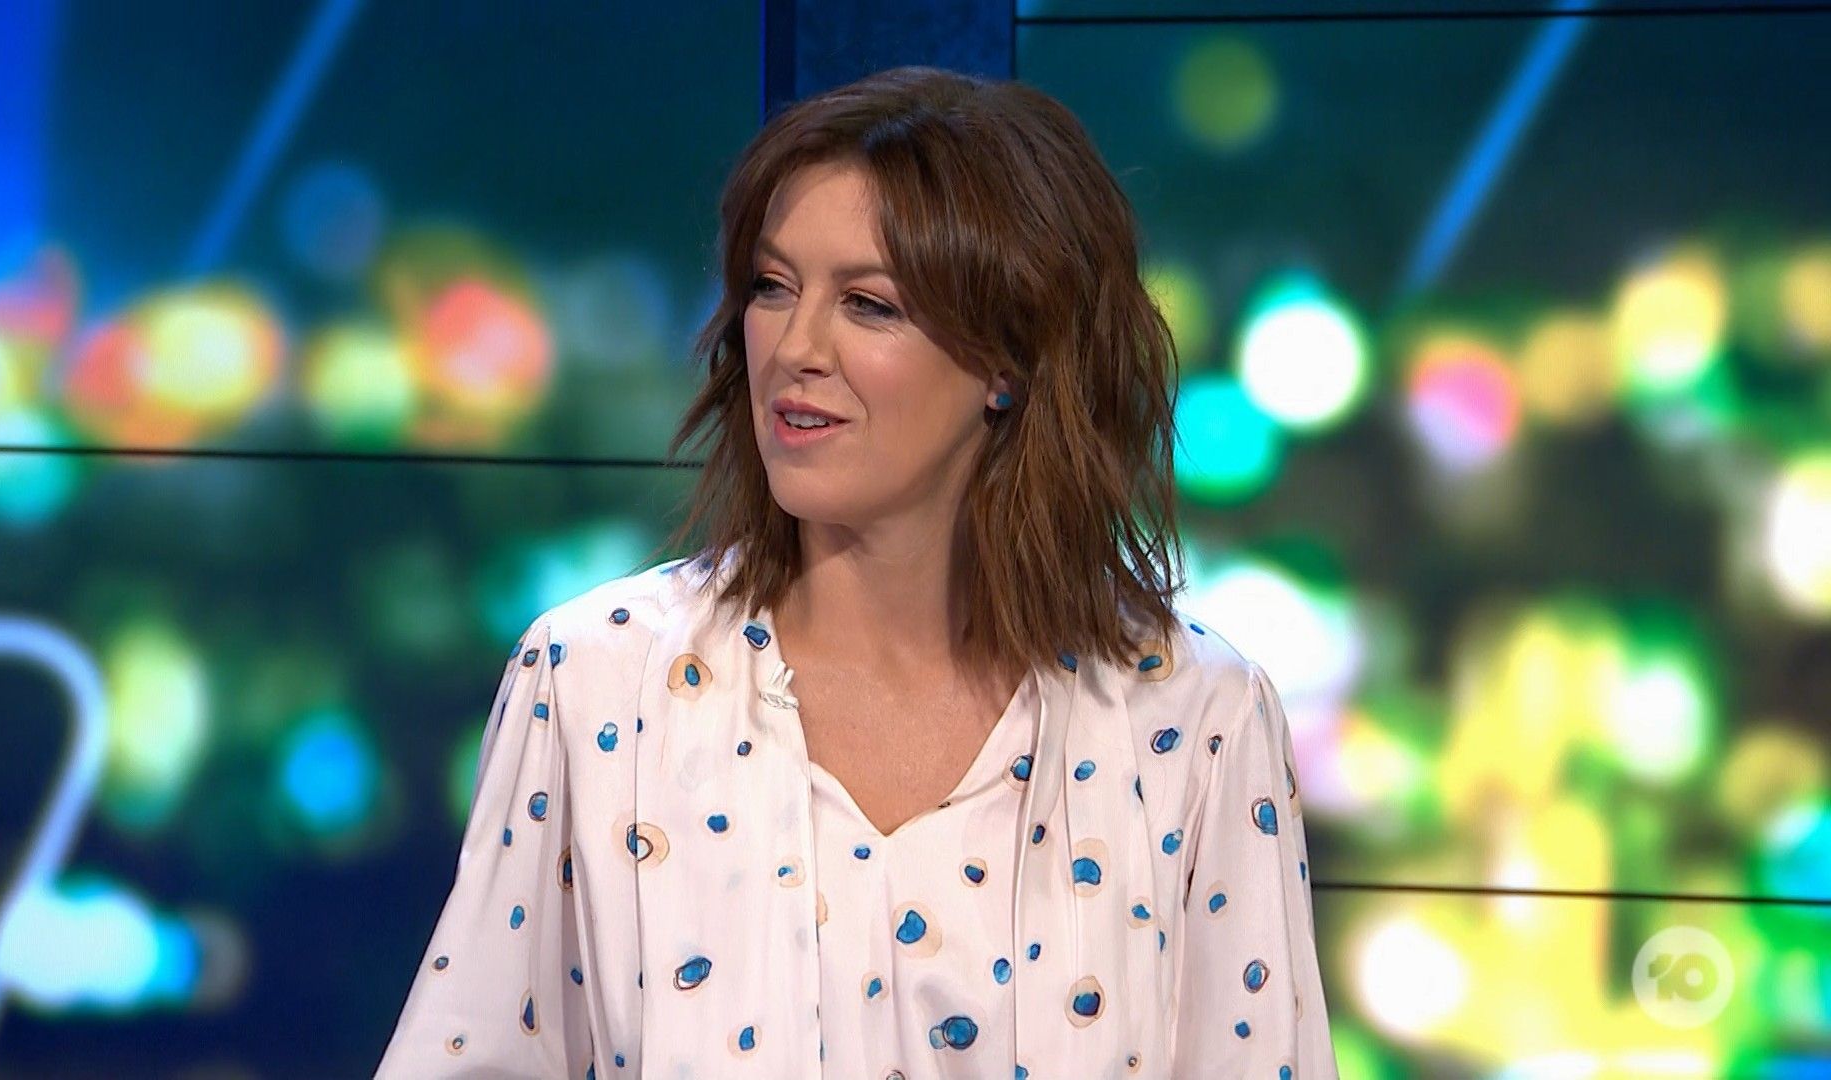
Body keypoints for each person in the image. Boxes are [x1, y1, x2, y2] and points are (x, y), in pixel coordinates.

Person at [378, 65, 1338, 1078]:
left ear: (1008, 361)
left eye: (869, 305)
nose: (796, 347)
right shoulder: (594, 682)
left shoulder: (1194, 723)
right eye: (773, 287)